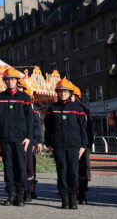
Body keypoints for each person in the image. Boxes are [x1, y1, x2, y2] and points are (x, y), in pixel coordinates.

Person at [0, 68, 34, 207]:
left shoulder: (25, 98)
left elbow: (30, 120)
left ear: (17, 81)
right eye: (8, 79)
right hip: (4, 138)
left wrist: (28, 137)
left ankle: (20, 195)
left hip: (20, 139)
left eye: (13, 79)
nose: (10, 81)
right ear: (5, 81)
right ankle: (11, 194)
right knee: (8, 168)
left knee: (21, 167)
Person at [44, 78, 88, 209]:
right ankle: (64, 199)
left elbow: (83, 129)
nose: (63, 94)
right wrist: (49, 144)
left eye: (65, 92)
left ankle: (73, 198)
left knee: (73, 173)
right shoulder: (52, 109)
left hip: (74, 145)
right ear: (57, 93)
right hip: (58, 146)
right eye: (60, 92)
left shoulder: (78, 108)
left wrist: (83, 147)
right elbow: (48, 128)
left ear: (70, 93)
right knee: (62, 172)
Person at [19, 79, 43, 202]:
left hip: (31, 142)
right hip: (19, 140)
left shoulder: (34, 110)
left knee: (30, 167)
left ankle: (31, 190)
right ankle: (21, 190)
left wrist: (38, 142)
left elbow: (37, 127)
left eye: (21, 89)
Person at [73, 85, 94, 204]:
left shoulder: (83, 110)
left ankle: (81, 193)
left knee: (82, 169)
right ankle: (78, 192)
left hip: (82, 144)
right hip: (77, 143)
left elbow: (88, 129)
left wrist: (87, 144)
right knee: (80, 169)